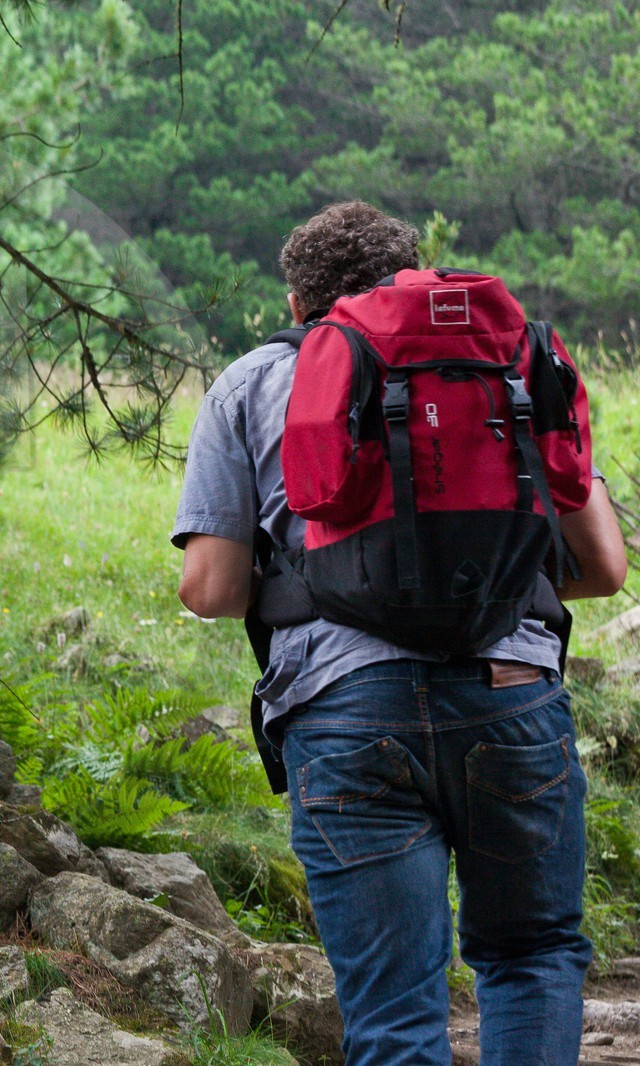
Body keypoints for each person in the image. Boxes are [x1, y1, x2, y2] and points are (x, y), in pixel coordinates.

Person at [171, 201, 627, 1065]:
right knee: (531, 957)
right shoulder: (511, 366)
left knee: (392, 1015)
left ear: (300, 304)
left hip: (343, 718)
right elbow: (603, 566)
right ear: (412, 278)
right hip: (511, 693)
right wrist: (488, 581)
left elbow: (212, 587)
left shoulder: (251, 382)